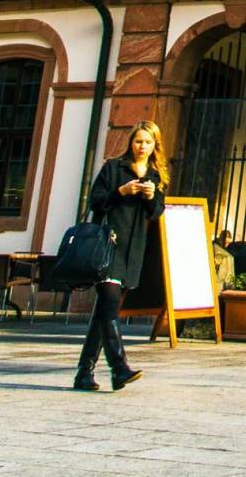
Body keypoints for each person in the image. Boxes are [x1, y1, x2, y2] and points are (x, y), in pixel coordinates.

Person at [75, 121, 168, 392]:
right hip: (107, 245)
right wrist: (120, 192)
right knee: (110, 305)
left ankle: (84, 373)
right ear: (131, 142)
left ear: (154, 146)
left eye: (148, 142)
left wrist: (152, 197)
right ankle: (119, 368)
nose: (142, 147)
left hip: (132, 249)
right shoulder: (113, 168)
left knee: (105, 311)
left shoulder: (155, 175)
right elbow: (95, 202)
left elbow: (156, 212)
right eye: (138, 141)